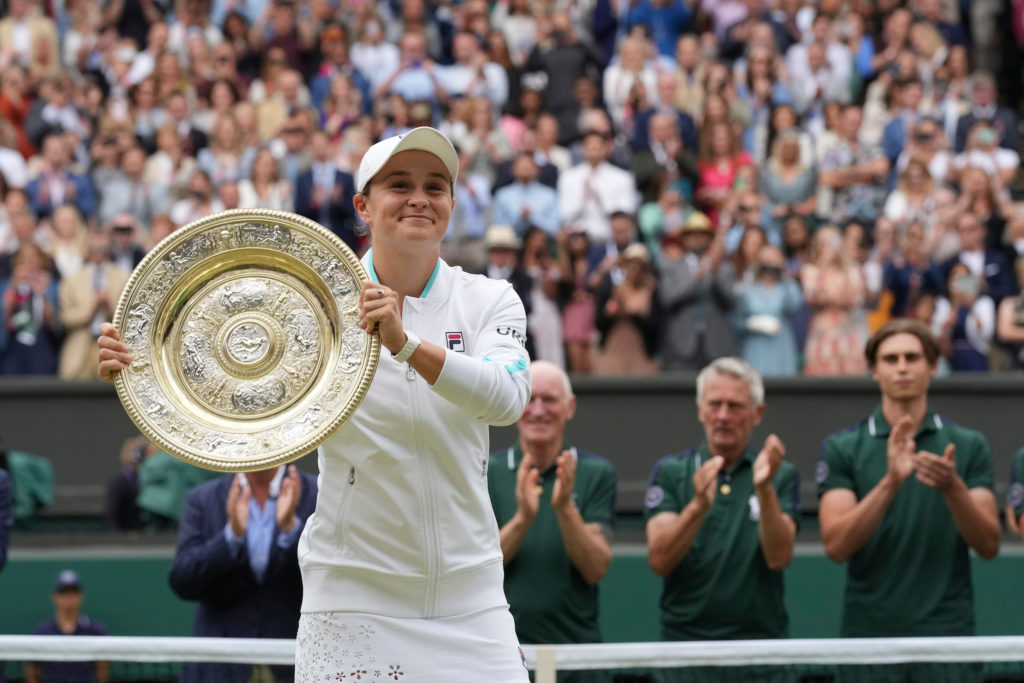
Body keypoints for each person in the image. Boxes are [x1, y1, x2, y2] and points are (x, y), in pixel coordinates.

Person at [98, 127, 532, 681]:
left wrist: (404, 345)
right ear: (363, 207)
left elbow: (507, 397)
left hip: (473, 598)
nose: (420, 197)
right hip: (350, 600)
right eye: (399, 185)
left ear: (451, 204)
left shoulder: (491, 299)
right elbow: (230, 391)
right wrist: (140, 367)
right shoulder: (314, 308)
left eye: (436, 186)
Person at [817, 321, 999, 649]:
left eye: (912, 357)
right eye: (890, 359)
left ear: (932, 366)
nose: (902, 367)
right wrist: (890, 483)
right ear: (873, 370)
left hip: (948, 637)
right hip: (868, 638)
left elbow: (988, 544)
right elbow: (836, 547)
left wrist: (952, 488)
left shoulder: (969, 445)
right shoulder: (841, 447)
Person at [644, 358, 798, 680]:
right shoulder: (671, 472)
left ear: (757, 413)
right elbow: (660, 558)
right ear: (700, 409)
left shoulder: (781, 474)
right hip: (684, 653)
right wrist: (698, 506)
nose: (723, 416)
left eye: (736, 406)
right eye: (715, 404)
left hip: (760, 655)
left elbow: (780, 557)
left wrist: (764, 488)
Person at [488, 361, 616, 683]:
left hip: (579, 657)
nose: (539, 410)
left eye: (550, 400)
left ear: (569, 407)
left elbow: (596, 568)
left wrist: (564, 509)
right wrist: (523, 519)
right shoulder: (485, 470)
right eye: (530, 399)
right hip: (503, 655)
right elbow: (477, 567)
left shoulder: (597, 473)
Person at [168, 465, 318, 682]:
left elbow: (332, 578)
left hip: (297, 662)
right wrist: (231, 537)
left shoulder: (317, 493)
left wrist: (291, 530)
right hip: (219, 668)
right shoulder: (201, 498)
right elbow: (182, 580)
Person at [27, 570, 109, 683]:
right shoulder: (42, 632)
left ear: (80, 596)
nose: (68, 597)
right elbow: (33, 672)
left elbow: (102, 670)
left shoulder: (95, 631)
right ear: (55, 596)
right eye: (64, 592)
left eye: (72, 592)